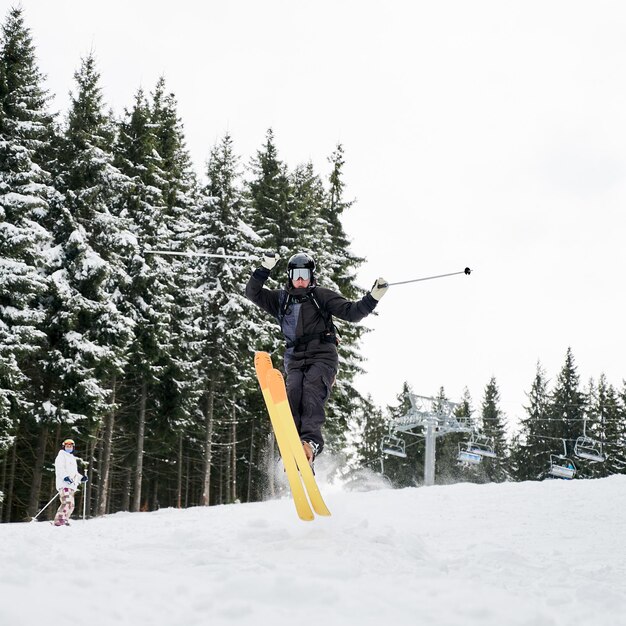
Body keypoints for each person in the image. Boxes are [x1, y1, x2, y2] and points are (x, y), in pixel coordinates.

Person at [246, 251, 388, 465]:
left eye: (305, 274)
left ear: (312, 276)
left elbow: (352, 312)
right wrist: (264, 268)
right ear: (290, 276)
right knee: (293, 392)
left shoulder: (320, 296)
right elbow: (253, 293)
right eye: (296, 274)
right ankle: (292, 444)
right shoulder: (280, 300)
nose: (300, 279)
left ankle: (310, 442)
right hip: (294, 360)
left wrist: (373, 297)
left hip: (323, 357)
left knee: (311, 390)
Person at [53, 438, 87, 526]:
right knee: (67, 502)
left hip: (71, 485)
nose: (69, 447)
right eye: (67, 446)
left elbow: (74, 473)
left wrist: (81, 478)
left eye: (70, 446)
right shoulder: (61, 456)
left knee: (71, 505)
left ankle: (65, 520)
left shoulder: (72, 458)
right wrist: (65, 477)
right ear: (64, 447)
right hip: (64, 484)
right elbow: (60, 469)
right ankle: (59, 521)